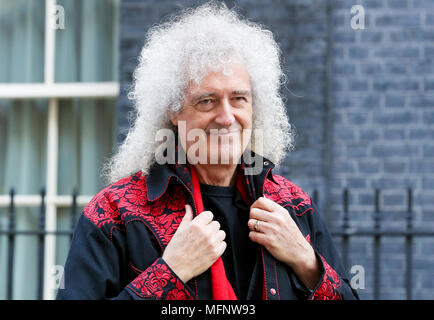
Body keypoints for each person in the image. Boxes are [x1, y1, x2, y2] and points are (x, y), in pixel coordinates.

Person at [57, 2, 358, 300]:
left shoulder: (293, 207)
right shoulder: (114, 213)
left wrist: (307, 262)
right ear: (174, 111)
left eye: (239, 98)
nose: (226, 117)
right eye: (207, 101)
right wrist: (169, 272)